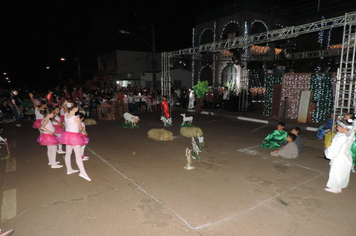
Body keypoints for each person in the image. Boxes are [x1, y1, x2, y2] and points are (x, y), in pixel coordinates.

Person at [59, 102, 91, 181]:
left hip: (67, 135)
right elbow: (80, 129)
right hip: (74, 136)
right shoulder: (76, 118)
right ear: (76, 108)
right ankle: (82, 172)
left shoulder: (66, 115)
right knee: (78, 155)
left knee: (68, 153)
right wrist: (80, 130)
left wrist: (65, 104)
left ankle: (69, 169)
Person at [324, 119, 355, 193]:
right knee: (343, 172)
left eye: (338, 127)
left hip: (339, 157)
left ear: (343, 128)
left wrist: (327, 152)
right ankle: (339, 187)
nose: (337, 128)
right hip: (346, 156)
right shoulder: (350, 135)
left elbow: (335, 149)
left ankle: (334, 187)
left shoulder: (340, 137)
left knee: (336, 172)